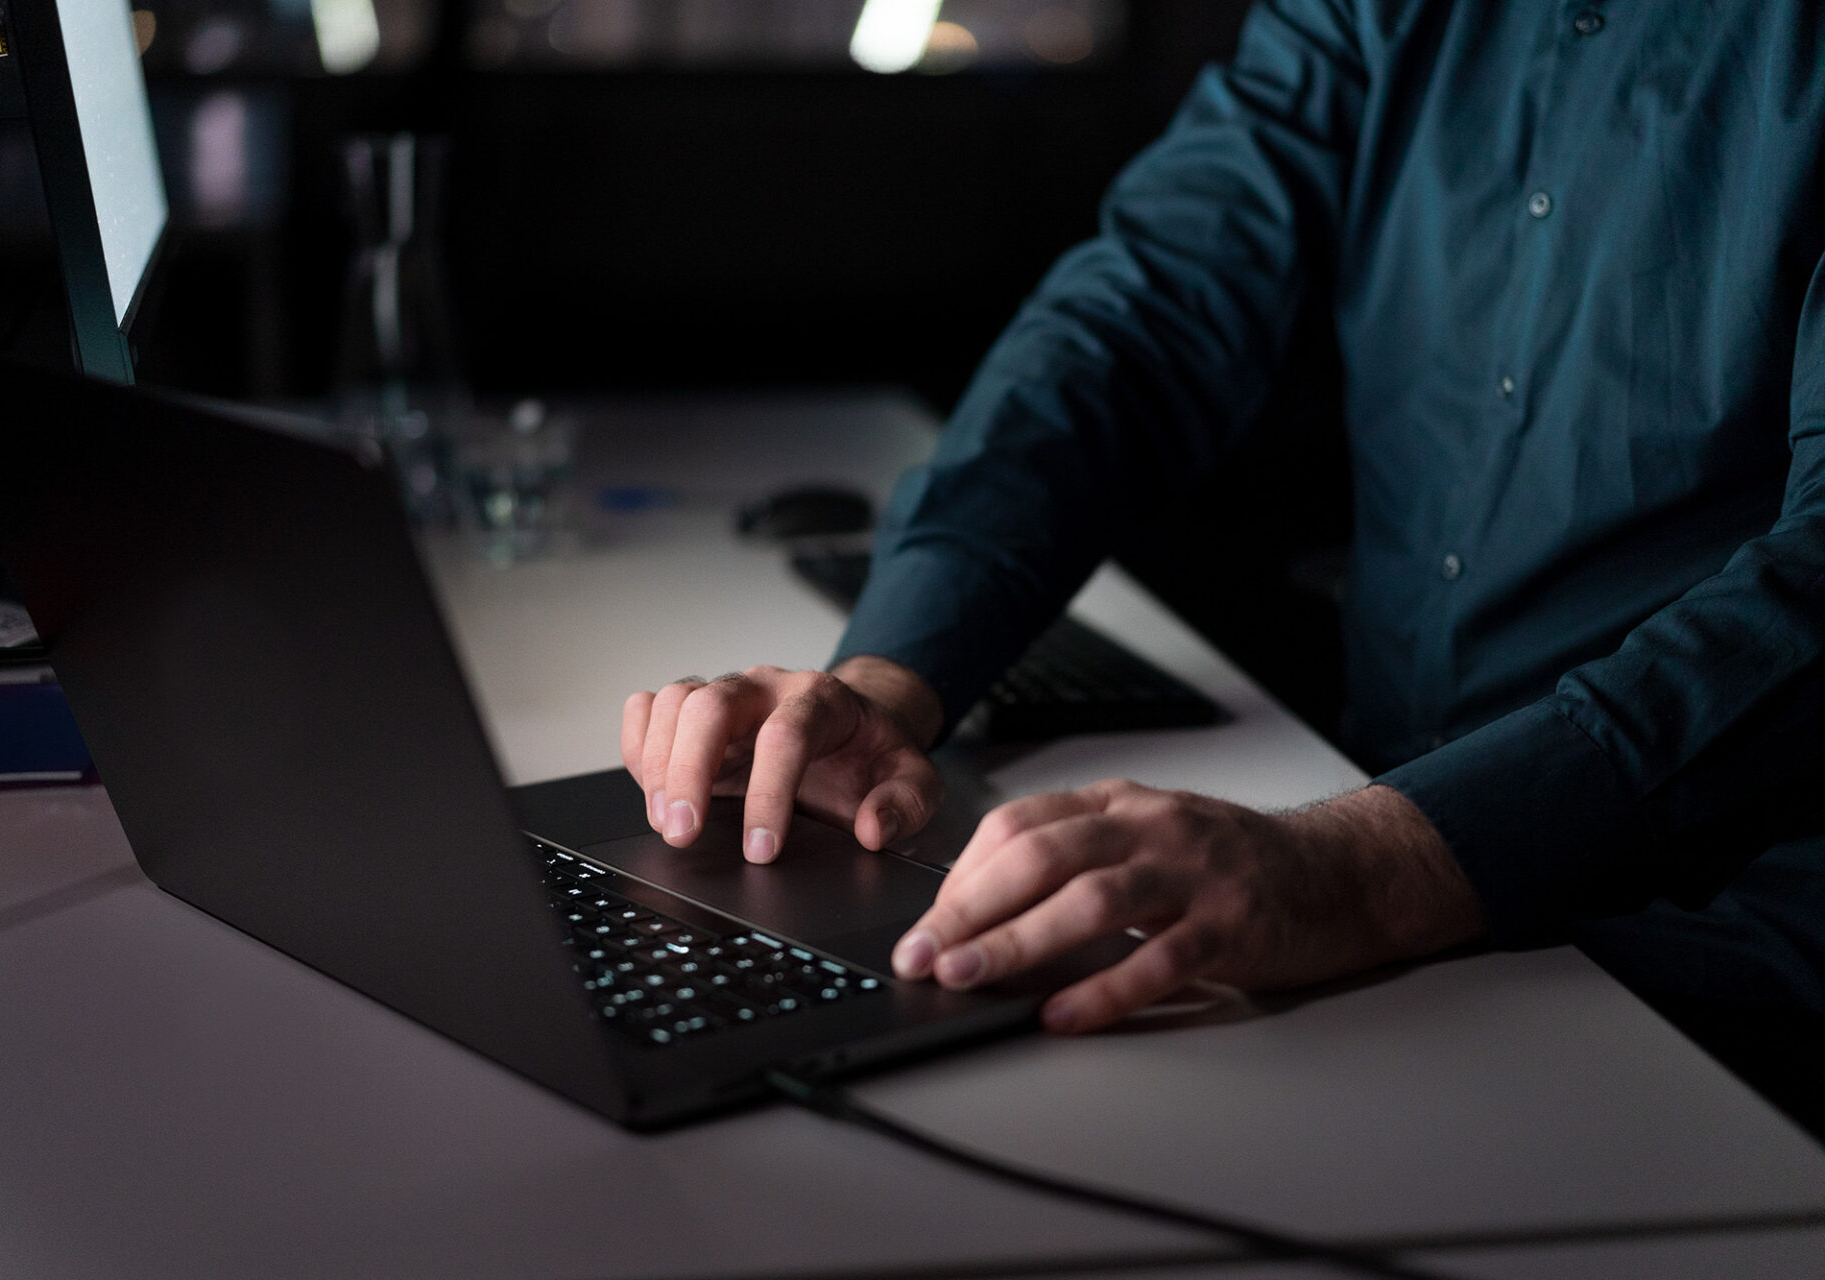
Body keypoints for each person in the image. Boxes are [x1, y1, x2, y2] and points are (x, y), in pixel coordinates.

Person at [620, 3, 1825, 1040]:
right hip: (1358, 817)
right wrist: (888, 678)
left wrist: (1369, 868)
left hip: (1720, 910)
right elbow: (1149, 311)